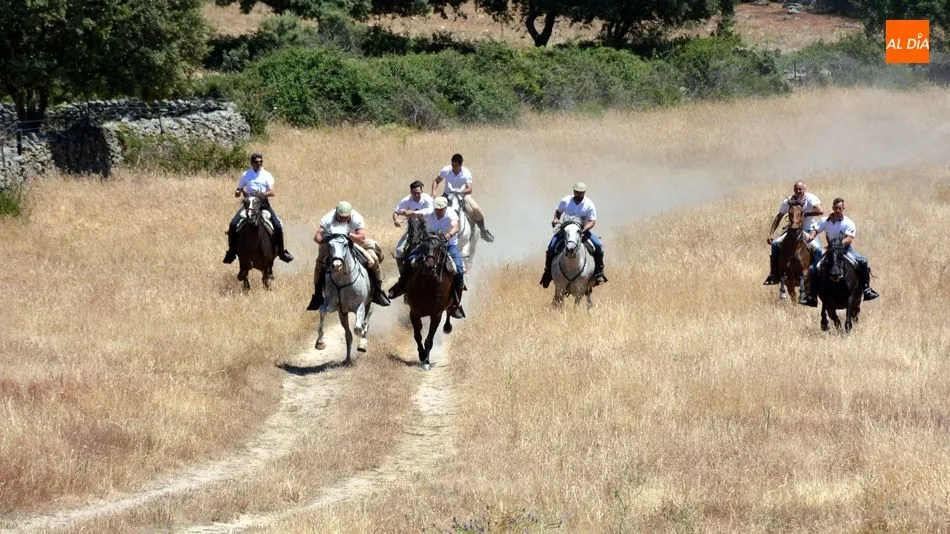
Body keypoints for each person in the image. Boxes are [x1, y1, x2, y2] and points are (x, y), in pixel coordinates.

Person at [387, 196, 467, 320]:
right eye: (436, 209)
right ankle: (401, 287)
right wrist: (404, 213)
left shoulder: (451, 213)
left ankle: (455, 305)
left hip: (448, 246)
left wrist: (449, 234)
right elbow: (416, 213)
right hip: (429, 245)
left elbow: (455, 226)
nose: (438, 211)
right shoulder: (430, 211)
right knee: (408, 261)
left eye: (441, 209)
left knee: (459, 271)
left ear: (445, 208)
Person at [305, 201, 391, 311]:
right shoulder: (328, 218)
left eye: (346, 217)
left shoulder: (357, 217)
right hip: (334, 243)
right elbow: (317, 237)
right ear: (336, 213)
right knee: (319, 264)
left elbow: (361, 239)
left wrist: (347, 234)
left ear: (350, 214)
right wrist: (331, 240)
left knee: (373, 259)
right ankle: (317, 295)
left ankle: (378, 292)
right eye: (341, 217)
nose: (343, 219)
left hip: (354, 242)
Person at [799, 197, 880, 307]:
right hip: (830, 252)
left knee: (863, 261)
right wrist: (811, 237)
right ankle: (812, 296)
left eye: (840, 208)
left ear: (843, 208)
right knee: (814, 268)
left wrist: (837, 245)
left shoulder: (848, 222)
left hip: (845, 250)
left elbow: (849, 239)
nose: (838, 210)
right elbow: (816, 229)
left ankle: (866, 289)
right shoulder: (825, 220)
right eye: (836, 208)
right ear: (833, 208)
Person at [223, 152, 294, 264]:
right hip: (249, 204)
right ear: (252, 163)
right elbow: (239, 189)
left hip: (262, 204)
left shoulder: (267, 175)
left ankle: (281, 252)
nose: (259, 164)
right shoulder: (246, 174)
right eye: (257, 162)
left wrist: (261, 195)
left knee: (277, 225)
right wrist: (238, 191)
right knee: (233, 224)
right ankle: (231, 252)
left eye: (261, 162)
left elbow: (272, 192)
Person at [539, 182, 607, 288]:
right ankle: (547, 273)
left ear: (584, 192)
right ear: (574, 191)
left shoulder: (589, 204)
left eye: (581, 193)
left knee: (598, 246)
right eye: (577, 192)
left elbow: (592, 221)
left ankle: (599, 273)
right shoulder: (566, 201)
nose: (579, 195)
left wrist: (584, 230)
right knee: (551, 247)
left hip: (582, 231)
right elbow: (558, 212)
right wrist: (555, 219)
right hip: (565, 231)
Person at [763, 180, 823, 285]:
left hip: (808, 230)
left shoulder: (811, 198)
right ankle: (774, 274)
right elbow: (779, 216)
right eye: (796, 189)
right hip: (792, 230)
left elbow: (820, 211)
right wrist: (771, 234)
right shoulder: (788, 201)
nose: (798, 191)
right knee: (775, 244)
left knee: (818, 250)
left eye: (800, 189)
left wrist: (805, 214)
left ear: (804, 189)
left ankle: (818, 275)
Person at [431, 153, 495, 243]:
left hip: (463, 195)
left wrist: (462, 192)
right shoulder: (446, 170)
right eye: (452, 165)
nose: (453, 168)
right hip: (447, 195)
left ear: (460, 165)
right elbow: (436, 181)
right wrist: (433, 191)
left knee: (476, 209)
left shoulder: (466, 173)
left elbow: (469, 189)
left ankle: (483, 231)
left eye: (456, 166)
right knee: (434, 208)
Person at [392, 180, 434, 265]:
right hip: (413, 230)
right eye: (414, 193)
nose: (416, 195)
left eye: (418, 193)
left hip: (429, 229)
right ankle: (402, 271)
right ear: (410, 192)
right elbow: (396, 212)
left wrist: (412, 213)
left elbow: (431, 210)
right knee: (399, 250)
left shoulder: (427, 199)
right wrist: (396, 220)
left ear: (422, 191)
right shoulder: (406, 200)